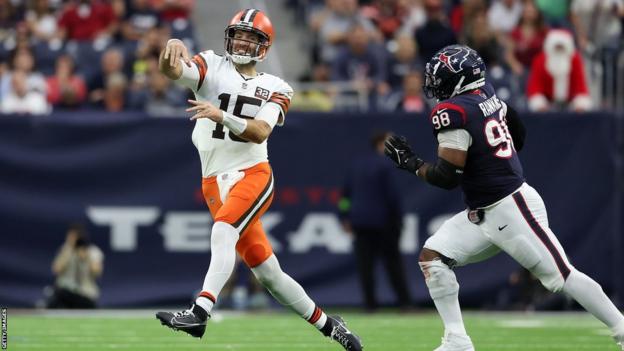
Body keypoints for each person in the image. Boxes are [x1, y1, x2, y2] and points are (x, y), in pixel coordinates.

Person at [383, 44, 624, 351]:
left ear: (458, 79)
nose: (435, 84)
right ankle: (457, 341)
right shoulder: (486, 94)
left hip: (510, 207)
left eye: (441, 77)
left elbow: (447, 177)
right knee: (433, 257)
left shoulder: (451, 112)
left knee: (562, 276)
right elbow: (518, 133)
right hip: (486, 211)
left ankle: (622, 330)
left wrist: (413, 165)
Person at [154, 9, 363, 350]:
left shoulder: (277, 86)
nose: (243, 42)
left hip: (252, 174)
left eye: (252, 38)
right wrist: (171, 49)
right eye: (239, 35)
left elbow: (260, 131)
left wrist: (221, 114)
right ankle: (332, 326)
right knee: (269, 275)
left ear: (264, 47)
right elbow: (173, 70)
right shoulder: (211, 64)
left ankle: (200, 309)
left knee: (223, 230)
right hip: (213, 181)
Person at [340, 131, 412, 312]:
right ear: (381, 144)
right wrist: (399, 219)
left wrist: (345, 216)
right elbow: (392, 197)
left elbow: (344, 196)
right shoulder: (386, 165)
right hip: (385, 223)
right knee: (393, 264)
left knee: (366, 266)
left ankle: (370, 305)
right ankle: (405, 303)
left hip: (360, 223)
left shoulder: (356, 165)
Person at [48, 223, 104, 309]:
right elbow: (56, 270)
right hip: (65, 293)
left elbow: (97, 272)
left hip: (85, 294)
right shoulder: (65, 250)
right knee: (57, 296)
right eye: (70, 237)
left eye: (74, 237)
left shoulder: (93, 251)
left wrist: (86, 258)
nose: (72, 239)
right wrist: (68, 252)